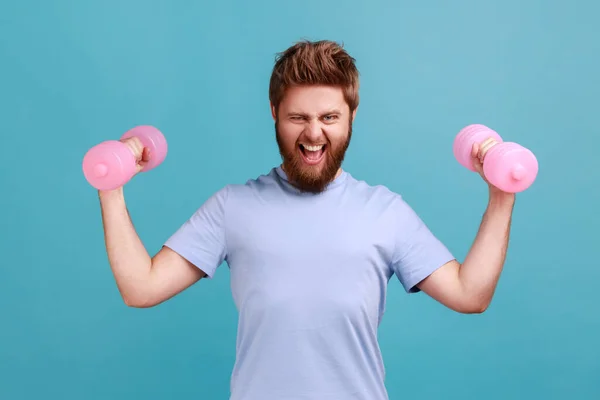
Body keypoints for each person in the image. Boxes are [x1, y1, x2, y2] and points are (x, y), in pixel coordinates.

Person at [98, 40, 516, 400]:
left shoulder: (385, 212)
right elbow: (141, 287)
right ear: (275, 112)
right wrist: (111, 185)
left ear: (352, 115)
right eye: (299, 117)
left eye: (329, 118)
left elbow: (469, 294)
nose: (314, 134)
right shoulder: (233, 207)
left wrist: (501, 194)